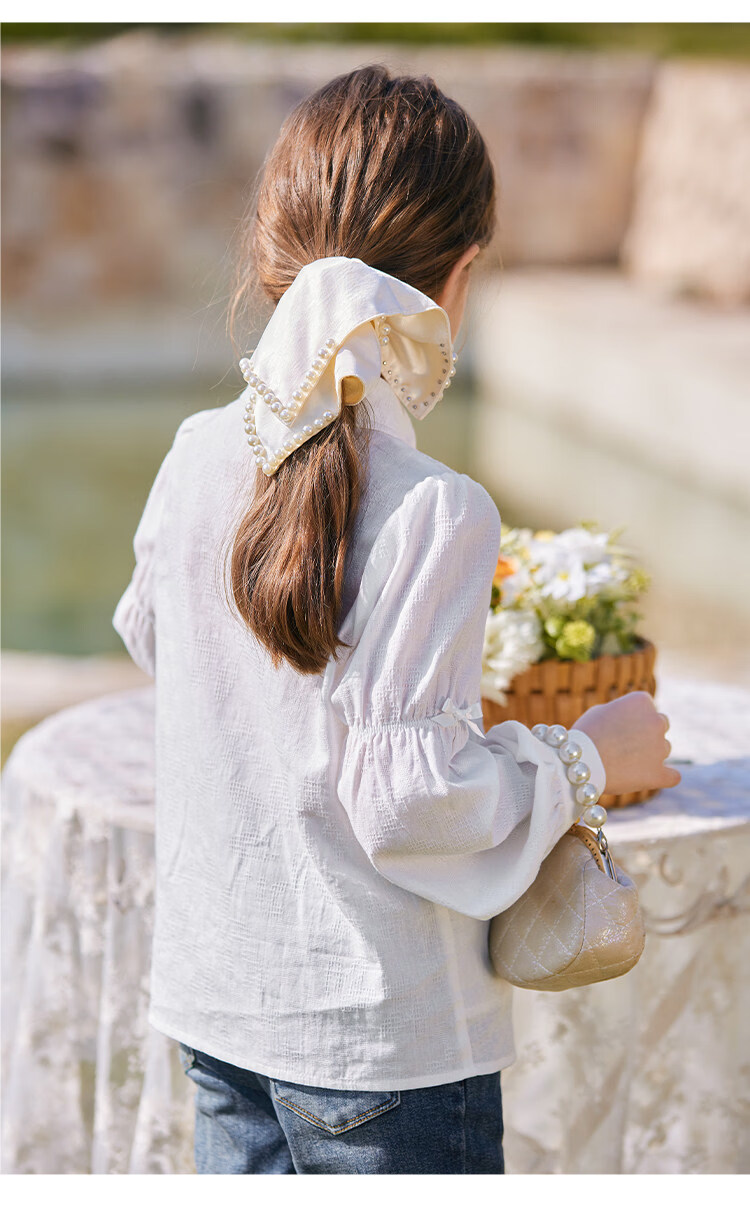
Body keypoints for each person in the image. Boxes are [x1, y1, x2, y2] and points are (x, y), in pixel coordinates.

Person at [112, 65, 680, 1176]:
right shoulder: (435, 511)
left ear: (271, 247)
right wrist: (584, 759)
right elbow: (411, 802)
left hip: (219, 1006)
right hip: (381, 1047)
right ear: (459, 276)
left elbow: (157, 643)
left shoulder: (191, 455)